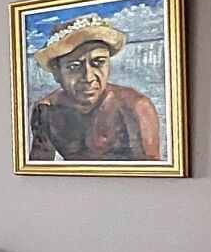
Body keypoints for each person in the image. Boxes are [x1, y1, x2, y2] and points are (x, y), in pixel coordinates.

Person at [26, 13, 161, 161]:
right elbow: (39, 167)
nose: (89, 77)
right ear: (56, 73)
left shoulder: (135, 107)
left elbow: (151, 171)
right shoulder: (45, 110)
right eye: (74, 67)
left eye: (99, 63)